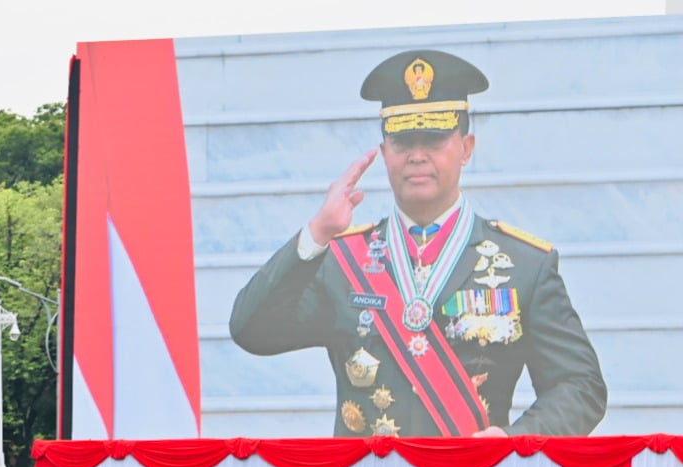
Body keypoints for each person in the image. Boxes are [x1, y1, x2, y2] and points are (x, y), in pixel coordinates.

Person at [229, 49, 606, 437]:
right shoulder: (342, 260)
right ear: (384, 151)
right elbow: (252, 331)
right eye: (404, 141)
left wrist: (512, 443)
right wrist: (316, 236)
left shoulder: (523, 264)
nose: (417, 156)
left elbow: (580, 386)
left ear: (466, 148)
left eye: (435, 139)